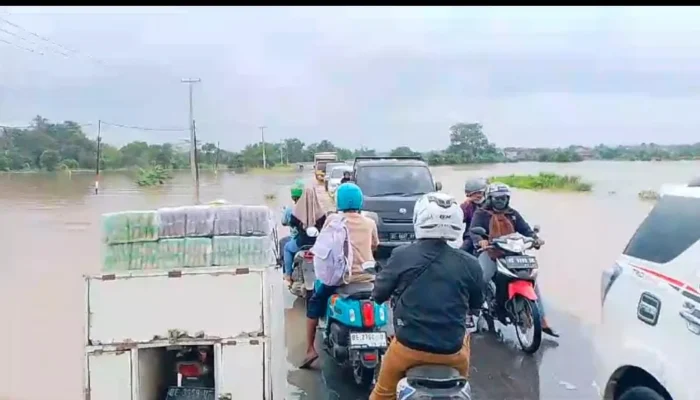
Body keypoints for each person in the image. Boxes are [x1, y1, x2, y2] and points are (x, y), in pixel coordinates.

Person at [369, 192, 484, 400]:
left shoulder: (402, 254)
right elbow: (476, 305)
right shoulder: (471, 263)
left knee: (381, 394)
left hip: (407, 348)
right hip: (453, 352)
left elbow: (378, 295)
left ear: (419, 219)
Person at [300, 182, 379, 369]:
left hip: (341, 279)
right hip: (368, 280)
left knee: (315, 302)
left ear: (339, 201)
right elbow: (375, 246)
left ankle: (310, 349)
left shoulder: (333, 220)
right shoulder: (369, 223)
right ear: (360, 201)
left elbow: (324, 245)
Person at [469, 182, 560, 338]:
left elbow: (526, 229)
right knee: (482, 278)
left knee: (531, 280)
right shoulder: (482, 213)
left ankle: (543, 320)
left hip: (513, 252)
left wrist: (535, 239)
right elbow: (474, 231)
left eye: (503, 198)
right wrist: (480, 241)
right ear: (490, 199)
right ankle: (474, 311)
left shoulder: (512, 214)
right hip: (491, 252)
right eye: (497, 199)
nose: (500, 201)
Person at [283, 185, 327, 284]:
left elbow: (292, 222)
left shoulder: (297, 211)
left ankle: (288, 276)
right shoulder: (321, 212)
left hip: (301, 244)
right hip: (317, 245)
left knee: (287, 248)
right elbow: (325, 225)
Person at [460, 177, 488, 254]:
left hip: (490, 236)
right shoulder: (468, 206)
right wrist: (465, 205)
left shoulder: (490, 205)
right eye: (474, 194)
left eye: (479, 193)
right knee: (461, 253)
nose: (477, 196)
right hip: (471, 237)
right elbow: (458, 218)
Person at [279, 180, 304, 264]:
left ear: (293, 197)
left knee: (284, 245)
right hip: (312, 240)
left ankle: (287, 273)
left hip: (298, 239)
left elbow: (283, 222)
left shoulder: (290, 209)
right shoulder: (311, 208)